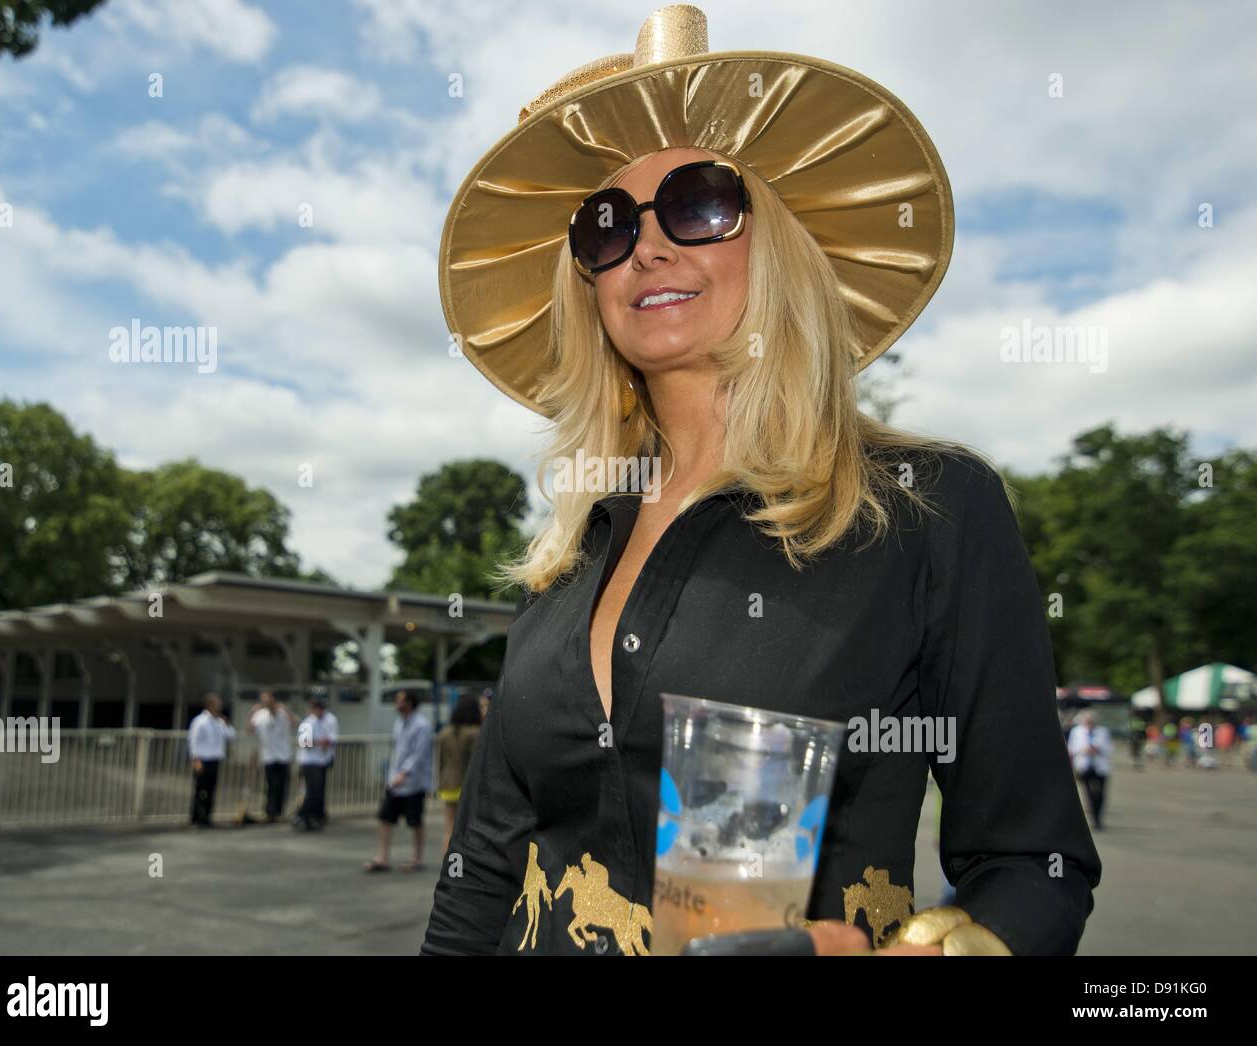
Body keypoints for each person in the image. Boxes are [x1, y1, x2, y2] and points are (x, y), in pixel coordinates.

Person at [420, 4, 1100, 957]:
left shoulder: (928, 510)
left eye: (698, 203)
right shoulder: (572, 551)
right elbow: (484, 870)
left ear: (776, 242)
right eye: (606, 225)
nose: (646, 248)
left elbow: (1034, 864)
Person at [366, 690, 434, 872]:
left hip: (413, 783)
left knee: (415, 821)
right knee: (385, 819)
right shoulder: (399, 723)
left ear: (410, 703)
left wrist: (403, 773)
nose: (396, 703)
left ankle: (417, 858)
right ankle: (382, 858)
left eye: (400, 700)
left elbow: (418, 754)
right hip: (395, 781)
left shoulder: (421, 725)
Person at [434, 694, 483, 860]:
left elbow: (441, 761)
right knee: (468, 828)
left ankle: (448, 865)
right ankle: (463, 866)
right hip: (466, 785)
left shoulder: (445, 732)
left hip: (448, 784)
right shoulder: (475, 733)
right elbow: (475, 763)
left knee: (449, 828)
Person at [187, 692, 235, 828]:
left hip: (215, 759)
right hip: (203, 759)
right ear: (209, 705)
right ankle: (195, 818)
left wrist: (227, 723)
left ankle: (207, 818)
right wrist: (196, 759)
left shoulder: (219, 722)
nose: (219, 707)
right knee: (199, 790)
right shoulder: (200, 721)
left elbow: (231, 735)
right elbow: (193, 740)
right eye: (216, 704)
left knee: (211, 790)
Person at [247, 691, 296, 822]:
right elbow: (250, 730)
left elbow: (296, 723)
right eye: (264, 700)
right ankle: (270, 811)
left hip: (284, 755)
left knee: (282, 785)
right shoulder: (259, 715)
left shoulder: (283, 713)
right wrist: (251, 713)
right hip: (268, 755)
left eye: (268, 699)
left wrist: (287, 709)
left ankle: (279, 811)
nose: (266, 702)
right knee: (272, 785)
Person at [294, 696, 338, 831]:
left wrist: (325, 742)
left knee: (318, 790)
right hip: (309, 761)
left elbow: (332, 738)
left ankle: (314, 815)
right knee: (313, 790)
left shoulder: (327, 720)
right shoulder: (308, 722)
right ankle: (302, 814)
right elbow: (304, 743)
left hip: (321, 760)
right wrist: (319, 742)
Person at [1067, 712, 1113, 831]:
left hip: (1100, 767)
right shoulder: (1077, 732)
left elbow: (1109, 749)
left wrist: (1098, 749)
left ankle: (1098, 815)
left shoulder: (1103, 732)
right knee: (1089, 794)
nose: (1089, 724)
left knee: (1100, 794)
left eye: (1091, 721)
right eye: (1087, 721)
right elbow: (1071, 748)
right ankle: (1094, 819)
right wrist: (1083, 750)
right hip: (1084, 766)